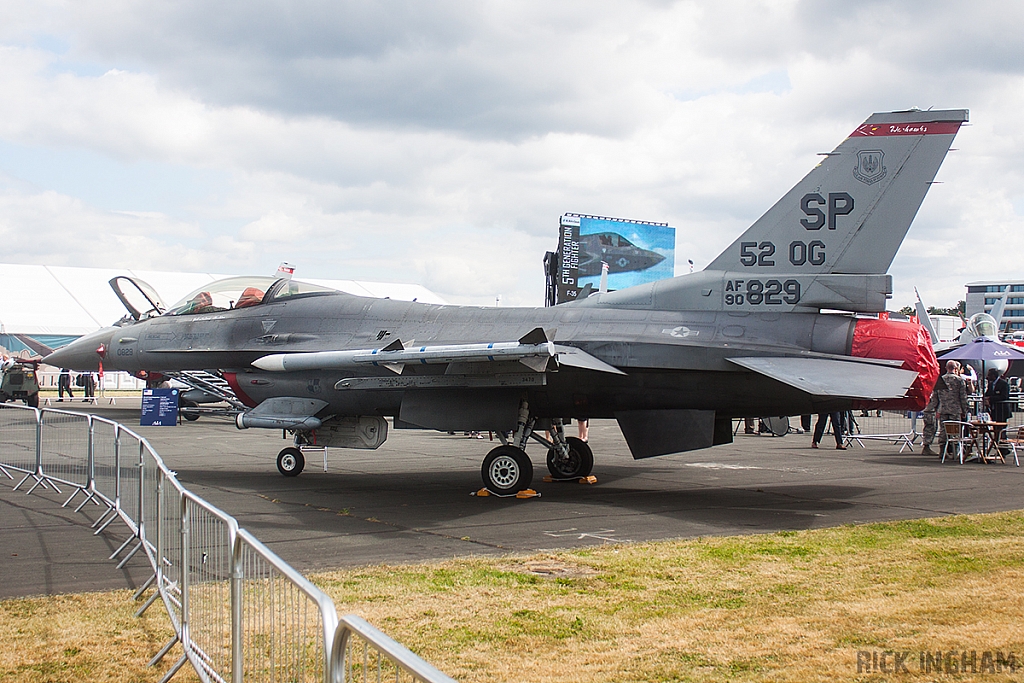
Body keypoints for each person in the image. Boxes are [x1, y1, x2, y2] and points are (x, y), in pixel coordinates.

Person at [924, 360, 970, 457]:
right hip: (955, 410)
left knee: (943, 431)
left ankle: (942, 451)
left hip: (943, 409)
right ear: (956, 368)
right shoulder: (959, 380)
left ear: (946, 368)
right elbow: (963, 397)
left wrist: (936, 409)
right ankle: (954, 452)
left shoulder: (940, 380)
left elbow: (935, 396)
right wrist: (965, 410)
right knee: (955, 431)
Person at [984, 367, 1013, 441]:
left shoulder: (1004, 384)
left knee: (1002, 431)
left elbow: (1004, 396)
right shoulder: (990, 384)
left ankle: (1003, 448)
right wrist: (985, 398)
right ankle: (997, 446)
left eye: (990, 375)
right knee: (995, 430)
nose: (988, 377)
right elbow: (987, 393)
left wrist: (990, 398)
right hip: (994, 411)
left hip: (1002, 411)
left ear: (994, 376)